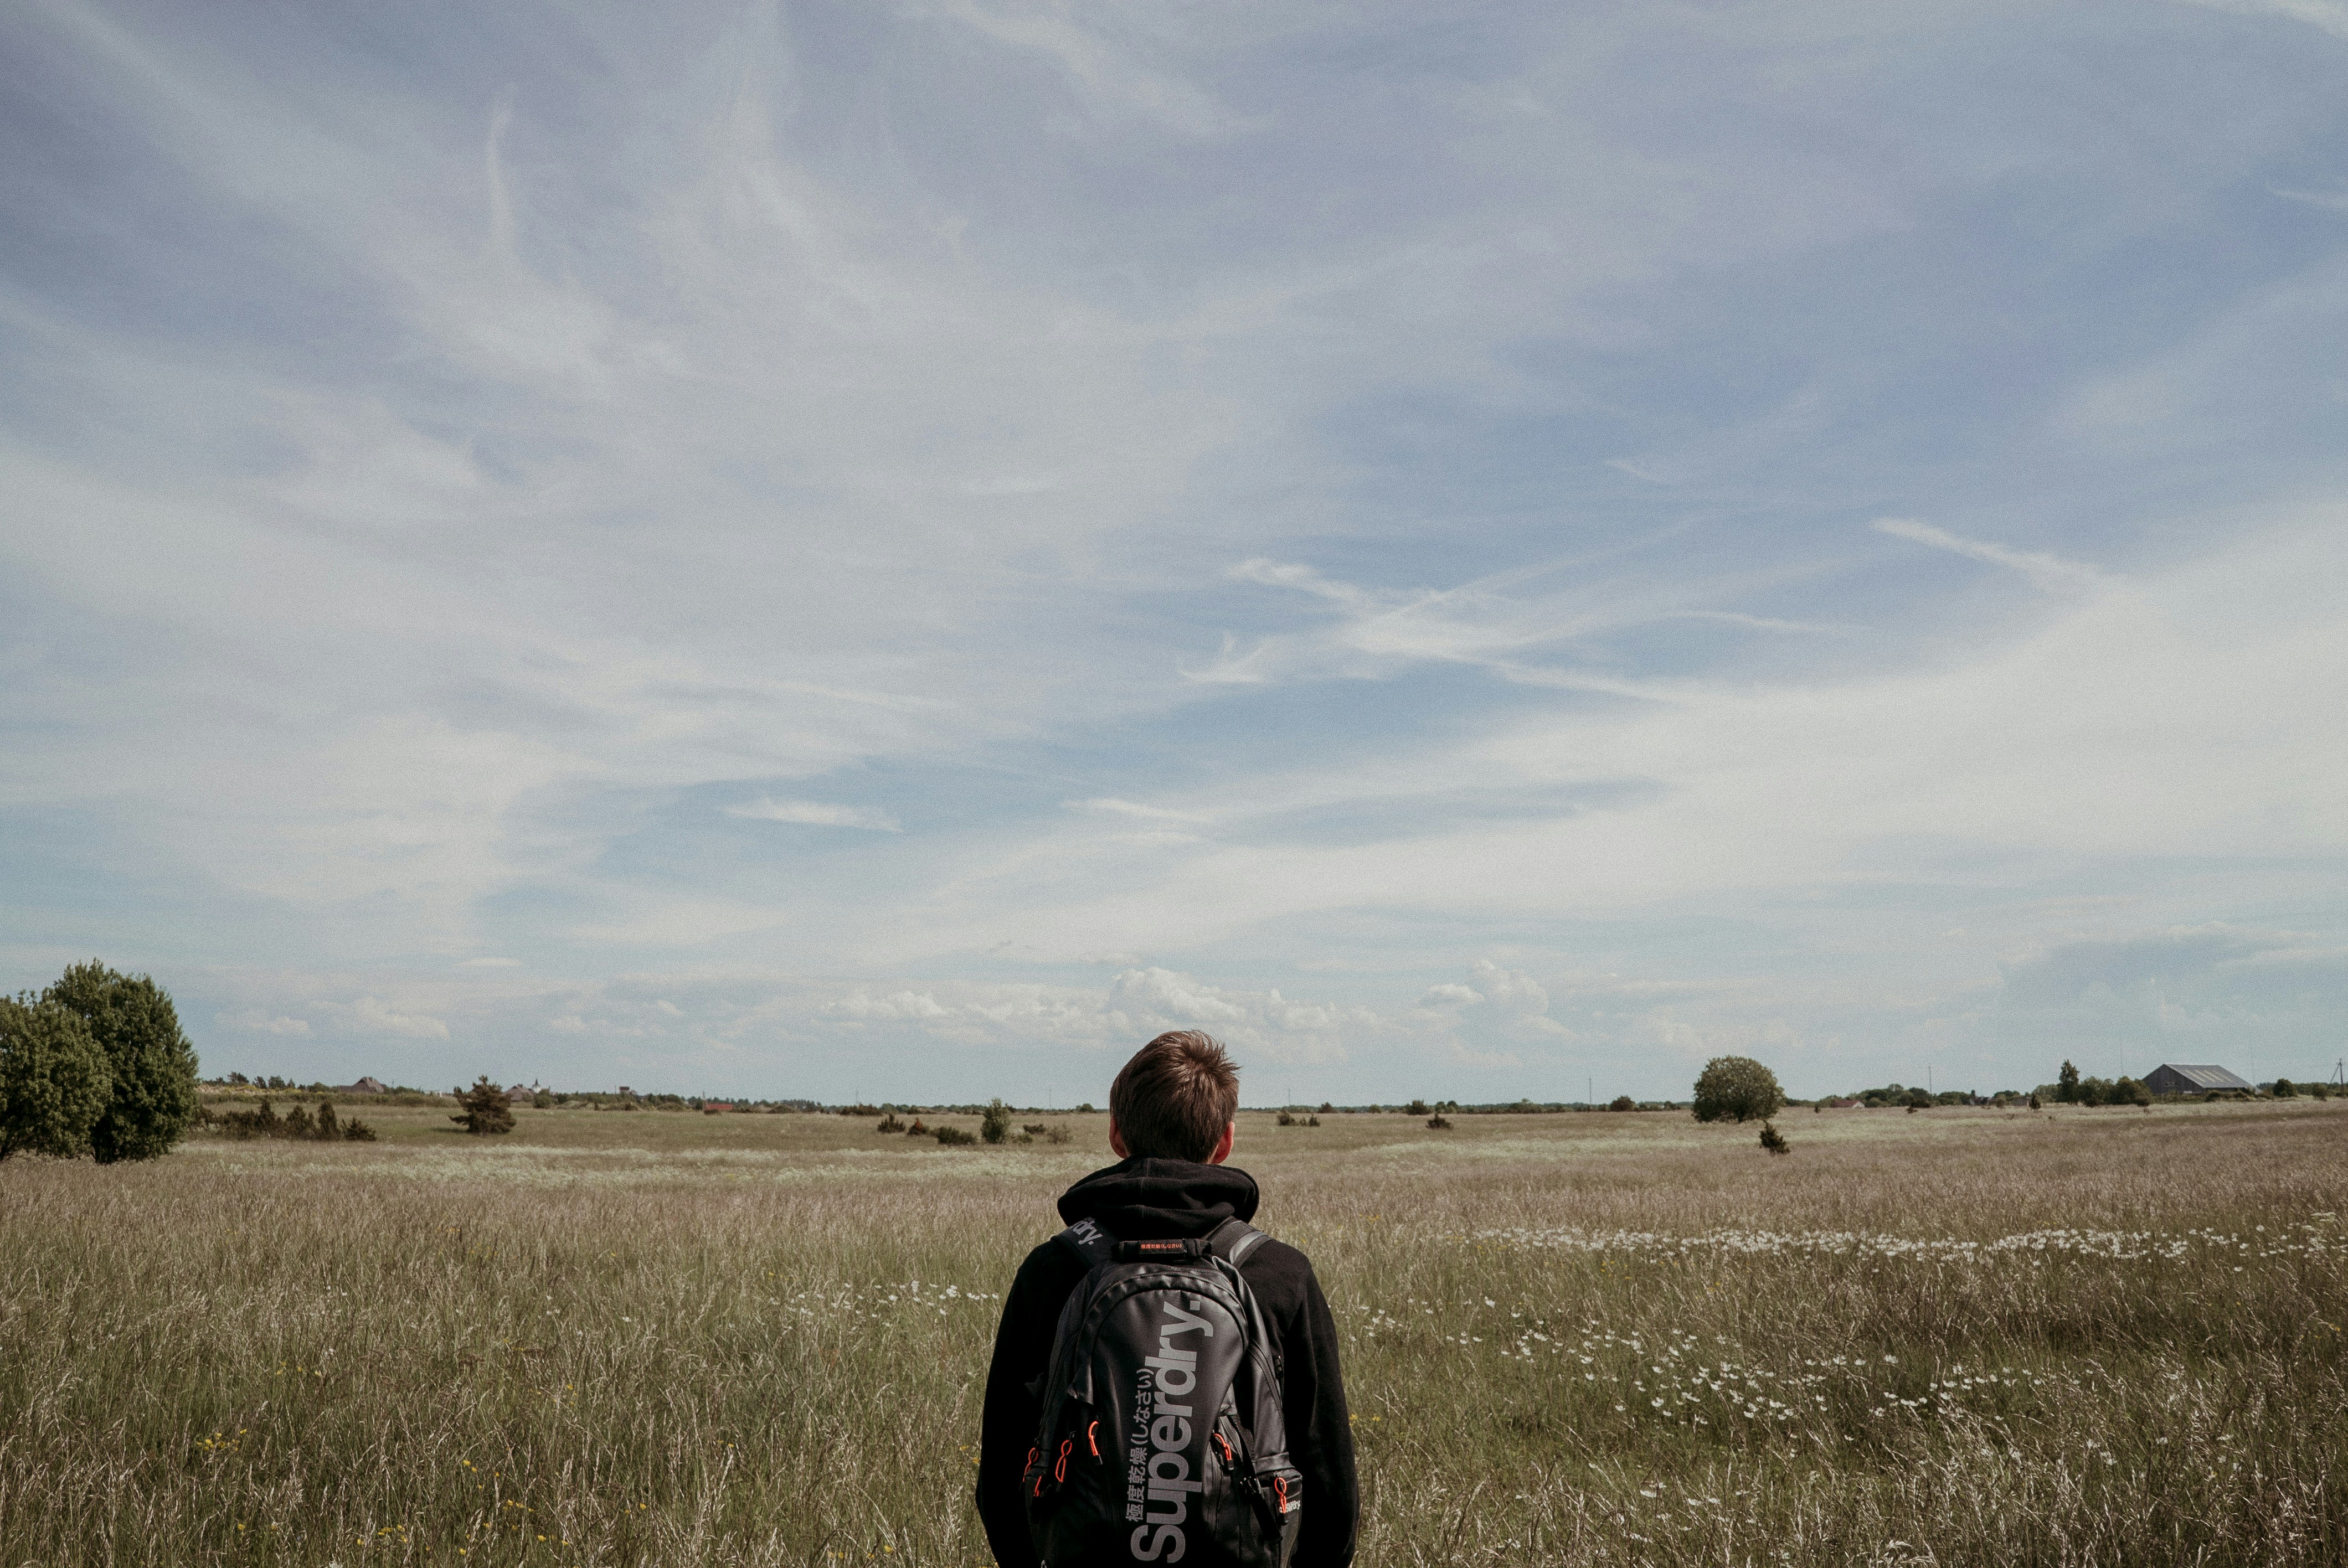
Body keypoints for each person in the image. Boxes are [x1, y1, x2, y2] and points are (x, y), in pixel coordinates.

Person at [977, 1030, 1358, 1567]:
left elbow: (1001, 1478)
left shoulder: (1054, 1269)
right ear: (1224, 1142)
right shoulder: (1277, 1273)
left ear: (1116, 1133)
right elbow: (1331, 1486)